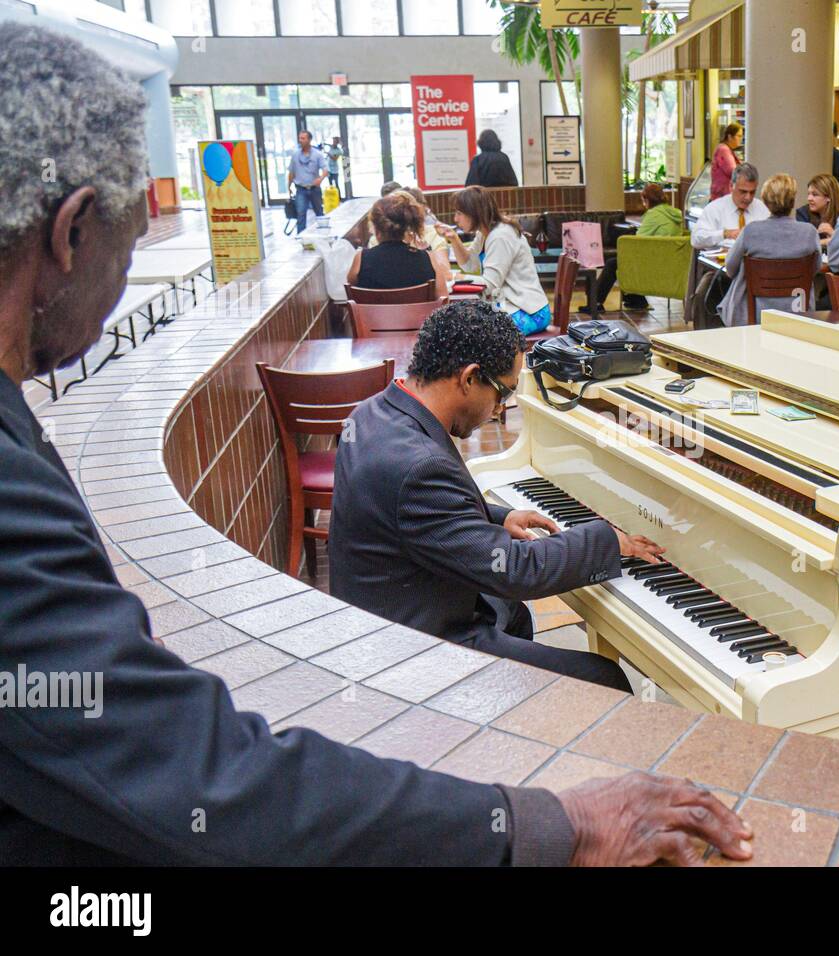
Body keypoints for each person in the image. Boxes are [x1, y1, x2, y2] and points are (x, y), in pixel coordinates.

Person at [0, 20, 754, 868]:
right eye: (134, 241)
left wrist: (497, 518)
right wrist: (557, 825)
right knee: (591, 677)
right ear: (71, 233)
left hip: (406, 620)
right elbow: (195, 771)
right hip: (421, 653)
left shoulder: (381, 416)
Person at [329, 301, 663, 690]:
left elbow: (411, 509)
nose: (499, 409)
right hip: (412, 649)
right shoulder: (419, 466)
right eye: (503, 392)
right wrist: (606, 539)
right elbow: (518, 571)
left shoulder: (371, 414)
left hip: (388, 611)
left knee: (512, 614)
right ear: (470, 378)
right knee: (603, 679)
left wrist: (497, 517)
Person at [437, 186, 551, 335]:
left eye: (459, 213)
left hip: (530, 312)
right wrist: (453, 238)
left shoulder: (500, 236)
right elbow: (470, 265)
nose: (455, 219)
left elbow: (490, 285)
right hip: (511, 306)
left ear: (474, 213)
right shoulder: (485, 232)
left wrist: (456, 277)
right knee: (462, 328)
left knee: (471, 334)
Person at [717, 174, 821, 328]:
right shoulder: (809, 232)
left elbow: (730, 268)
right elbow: (815, 269)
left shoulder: (751, 231)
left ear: (765, 202)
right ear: (793, 202)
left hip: (757, 311)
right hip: (797, 308)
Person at [586, 182, 685, 314]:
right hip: (670, 262)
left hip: (655, 263)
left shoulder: (654, 215)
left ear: (647, 200)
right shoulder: (674, 213)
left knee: (613, 263)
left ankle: (595, 303)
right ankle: (636, 300)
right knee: (621, 262)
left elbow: (637, 241)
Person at [347, 190, 450, 295]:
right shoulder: (427, 259)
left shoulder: (361, 259)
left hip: (373, 312)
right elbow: (443, 300)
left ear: (376, 229)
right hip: (419, 312)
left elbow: (352, 294)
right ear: (406, 226)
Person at [691, 162, 771, 250]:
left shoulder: (762, 209)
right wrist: (725, 234)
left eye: (752, 192)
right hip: (721, 261)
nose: (748, 197)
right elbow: (695, 239)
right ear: (731, 186)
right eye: (743, 192)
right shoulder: (715, 208)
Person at [287, 129, 329, 234]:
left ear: (309, 140)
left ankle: (324, 235)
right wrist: (289, 187)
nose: (300, 140)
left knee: (319, 213)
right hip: (301, 190)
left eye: (303, 138)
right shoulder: (295, 155)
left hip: (314, 189)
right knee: (301, 214)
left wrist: (320, 178)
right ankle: (301, 238)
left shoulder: (317, 154)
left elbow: (325, 169)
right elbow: (291, 172)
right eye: (299, 138)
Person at [796, 173, 839, 248]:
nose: (809, 198)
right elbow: (801, 244)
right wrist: (828, 241)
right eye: (808, 194)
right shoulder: (803, 213)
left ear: (829, 197)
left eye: (815, 194)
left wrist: (833, 234)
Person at [710, 123, 743, 200]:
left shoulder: (725, 149)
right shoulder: (723, 150)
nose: (741, 139)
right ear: (730, 137)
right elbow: (733, 171)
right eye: (739, 136)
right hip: (722, 197)